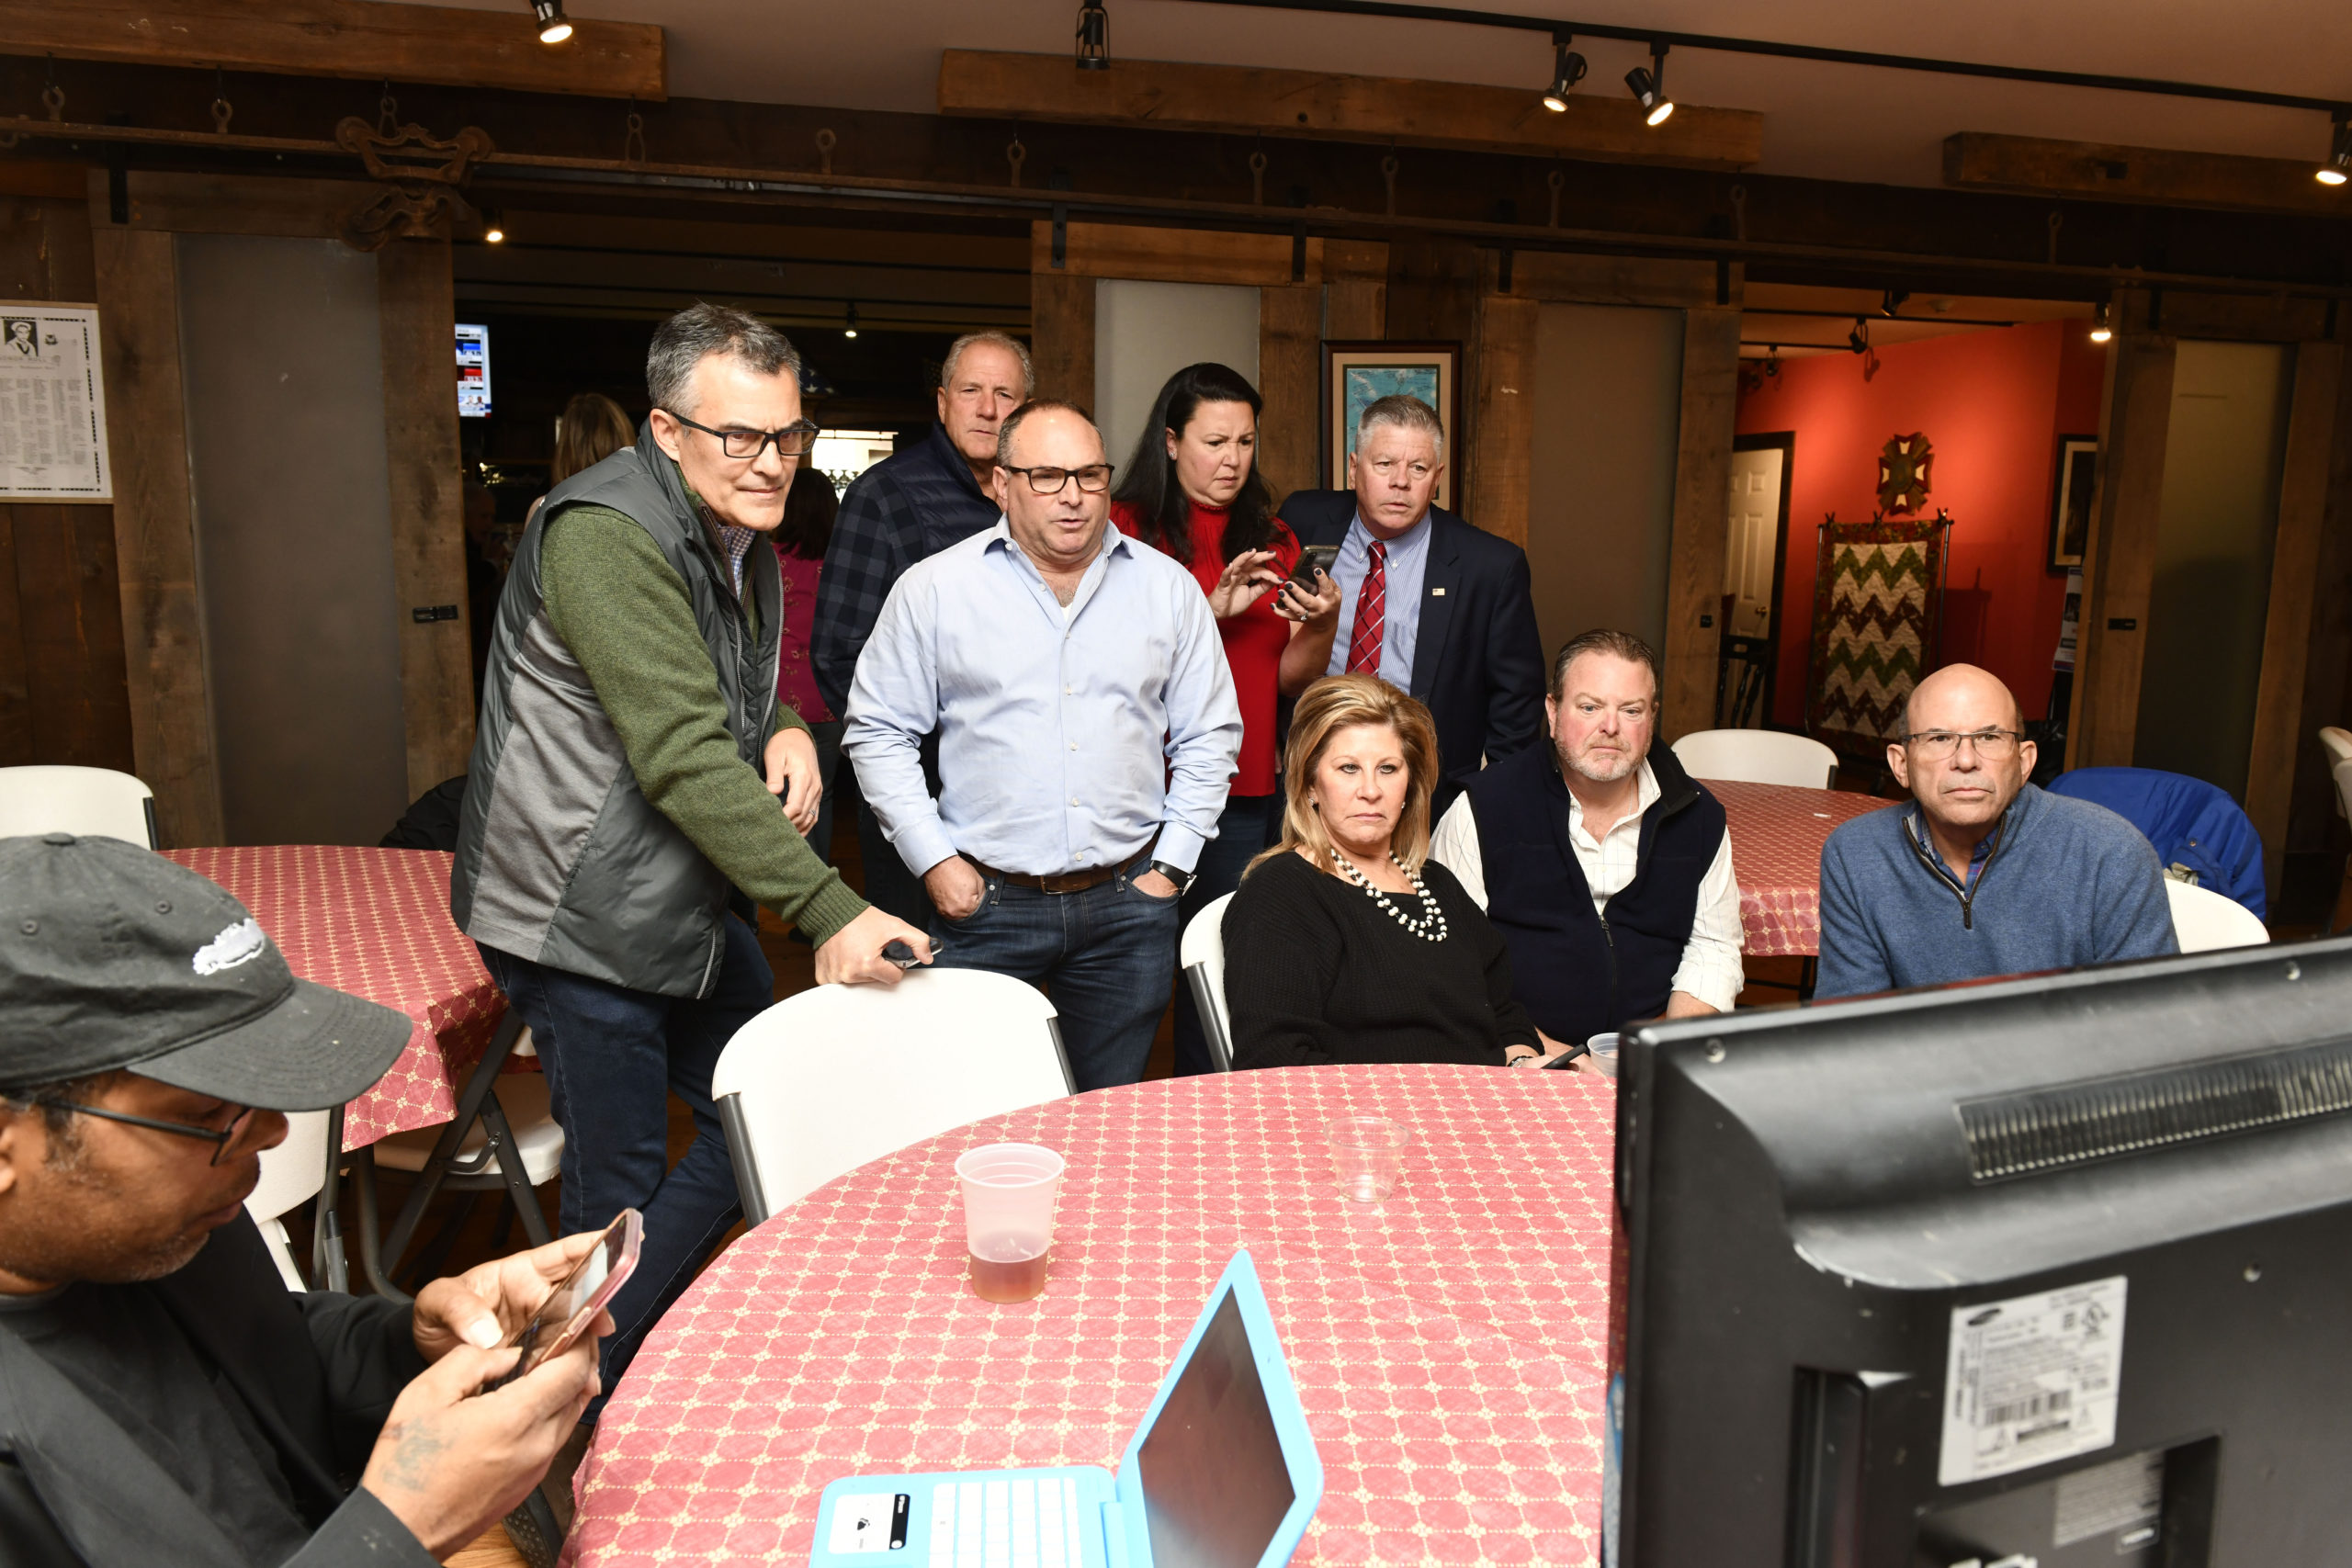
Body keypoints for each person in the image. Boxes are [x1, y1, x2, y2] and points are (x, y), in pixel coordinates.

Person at [452, 304, 930, 1406]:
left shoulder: (735, 534)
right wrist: (829, 909)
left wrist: (785, 727)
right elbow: (674, 753)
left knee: (768, 1104)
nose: (772, 464)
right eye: (741, 438)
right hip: (573, 912)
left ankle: (606, 1358)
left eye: (790, 435)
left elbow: (729, 699)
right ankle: (559, 1423)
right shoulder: (602, 536)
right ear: (666, 432)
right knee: (615, 1184)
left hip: (681, 898)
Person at [0, 834, 608, 1567]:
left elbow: (265, 1349)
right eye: (206, 1113)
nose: (272, 1131)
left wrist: (405, 1346)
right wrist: (397, 1532)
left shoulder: (164, 1223)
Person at [843, 399, 1241, 1090]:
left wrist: (1171, 868)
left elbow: (1210, 734)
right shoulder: (937, 588)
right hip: (986, 904)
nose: (1073, 496)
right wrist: (934, 861)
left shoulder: (1166, 588)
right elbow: (877, 730)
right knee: (977, 1113)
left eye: (1089, 475)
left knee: (1106, 1115)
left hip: (1128, 904)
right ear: (1002, 483)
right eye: (1047, 476)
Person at [1109, 362, 1341, 1076]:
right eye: (1214, 441)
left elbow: (1286, 679)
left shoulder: (1275, 537)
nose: (1233, 459)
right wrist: (1206, 614)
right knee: (1136, 983)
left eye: (1245, 441)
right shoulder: (1122, 529)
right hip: (1145, 793)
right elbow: (1101, 665)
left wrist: (1322, 626)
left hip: (1245, 791)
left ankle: (1210, 1120)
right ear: (1172, 441)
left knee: (1221, 970)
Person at [1429, 629, 1745, 1051]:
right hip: (1517, 1056)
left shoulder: (1698, 816)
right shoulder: (1482, 809)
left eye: (1631, 710)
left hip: (1657, 1050)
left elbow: (1713, 949)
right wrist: (1549, 1058)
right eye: (1590, 707)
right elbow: (1452, 961)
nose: (1610, 727)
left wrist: (1661, 1051)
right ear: (1554, 711)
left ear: (1652, 717)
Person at [813, 332, 1032, 925]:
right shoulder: (884, 496)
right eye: (971, 391)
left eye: (1005, 394)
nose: (988, 409)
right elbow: (838, 654)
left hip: (1019, 809)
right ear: (942, 403)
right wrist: (924, 759)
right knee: (920, 977)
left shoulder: (1040, 500)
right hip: (922, 801)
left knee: (1006, 990)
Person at [1220, 675, 1543, 1070]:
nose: (1370, 790)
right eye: (1348, 768)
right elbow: (1275, 1061)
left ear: (1410, 787)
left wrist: (1524, 1066)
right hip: (1370, 1125)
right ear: (1309, 786)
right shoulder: (1281, 891)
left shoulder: (1438, 885)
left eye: (1388, 769)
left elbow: (1506, 1017)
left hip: (1484, 1111)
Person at [1815, 662, 2177, 998]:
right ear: (1901, 764)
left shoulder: (2110, 854)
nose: (1967, 760)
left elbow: (2149, 1026)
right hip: (1919, 1066)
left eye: (1990, 738)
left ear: (2024, 762)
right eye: (1939, 738)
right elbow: (1850, 1026)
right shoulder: (1855, 854)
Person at [1276, 394, 1545, 816]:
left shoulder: (1489, 566)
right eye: (1384, 464)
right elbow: (1271, 635)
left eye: (1418, 468)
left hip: (1423, 793)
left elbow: (1516, 708)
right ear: (1353, 467)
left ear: (1436, 477)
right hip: (1305, 780)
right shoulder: (1305, 520)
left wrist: (1483, 812)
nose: (1400, 481)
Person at [773, 471, 842, 864]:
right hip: (830, 698)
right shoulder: (839, 567)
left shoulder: (770, 559)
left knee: (786, 800)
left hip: (782, 703)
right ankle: (822, 899)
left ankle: (807, 907)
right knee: (823, 796)